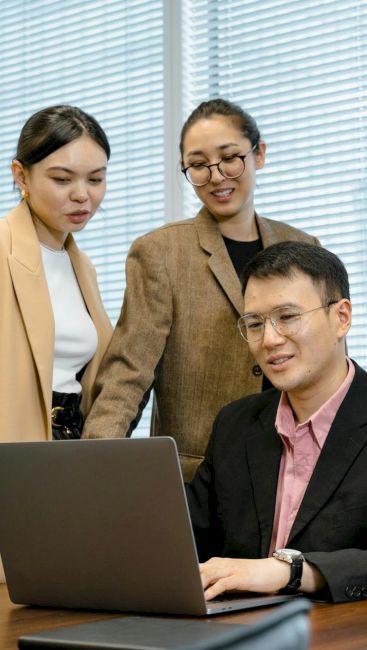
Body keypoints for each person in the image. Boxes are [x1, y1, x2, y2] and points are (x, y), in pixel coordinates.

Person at [185, 241, 367, 602]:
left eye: (287, 317)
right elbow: (187, 542)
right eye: (255, 323)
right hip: (239, 632)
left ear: (341, 318)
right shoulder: (234, 424)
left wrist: (290, 571)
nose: (269, 339)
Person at [82, 99, 319, 480]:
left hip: (293, 470)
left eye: (230, 158)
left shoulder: (305, 247)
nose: (216, 176)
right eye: (197, 165)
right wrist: (92, 469)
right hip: (198, 479)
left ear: (259, 154)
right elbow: (129, 374)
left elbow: (328, 363)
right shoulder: (160, 253)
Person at [0, 105, 113, 582]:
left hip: (67, 456)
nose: (82, 196)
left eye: (96, 179)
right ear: (21, 175)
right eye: (62, 178)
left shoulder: (79, 263)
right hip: (17, 456)